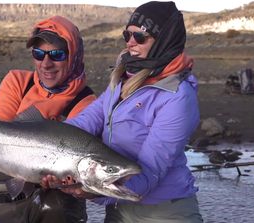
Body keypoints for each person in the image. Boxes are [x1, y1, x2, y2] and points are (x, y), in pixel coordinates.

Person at [42, 1, 203, 222]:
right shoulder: (124, 79)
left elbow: (149, 171)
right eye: (127, 35)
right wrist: (47, 150)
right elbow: (86, 122)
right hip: (118, 209)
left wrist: (93, 191)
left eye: (140, 37)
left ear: (164, 41)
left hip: (165, 212)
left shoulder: (178, 96)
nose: (130, 43)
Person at [0, 15, 96, 223]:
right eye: (39, 54)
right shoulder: (17, 81)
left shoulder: (87, 102)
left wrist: (67, 182)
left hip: (58, 197)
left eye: (57, 55)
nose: (46, 64)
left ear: (74, 55)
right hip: (5, 188)